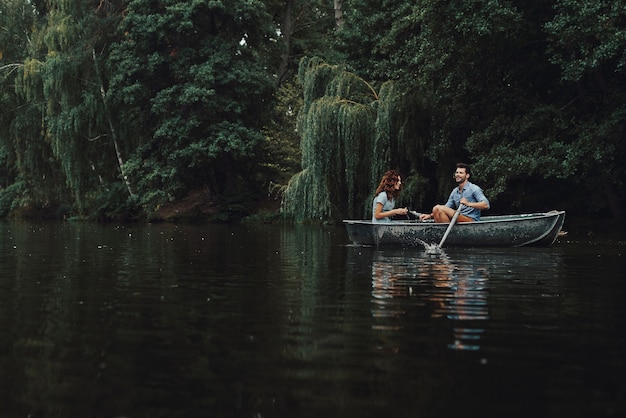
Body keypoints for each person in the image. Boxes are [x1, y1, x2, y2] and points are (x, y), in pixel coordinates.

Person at [420, 163, 489, 223]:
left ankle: (447, 235)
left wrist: (468, 204)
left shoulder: (474, 188)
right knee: (436, 209)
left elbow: (486, 205)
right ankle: (446, 234)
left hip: (471, 221)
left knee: (438, 208)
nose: (457, 175)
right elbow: (446, 207)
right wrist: (430, 215)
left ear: (467, 176)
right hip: (458, 219)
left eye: (461, 173)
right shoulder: (455, 191)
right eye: (457, 172)